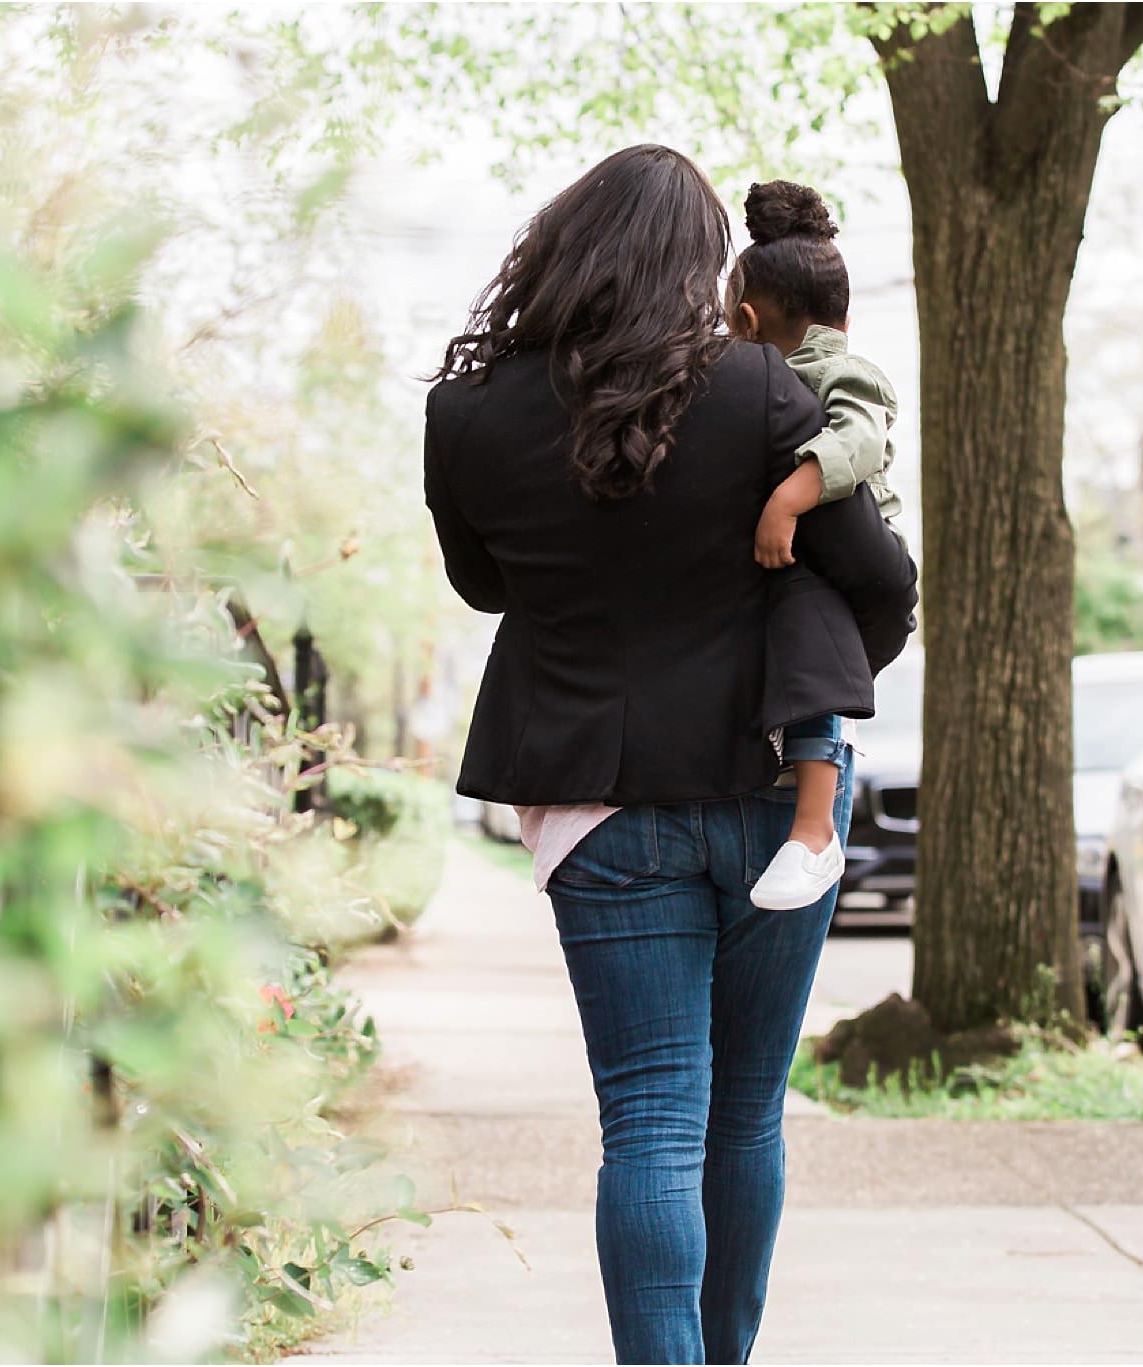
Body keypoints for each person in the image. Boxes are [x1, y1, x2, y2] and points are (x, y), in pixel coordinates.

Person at [423, 144, 917, 1365]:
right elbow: (881, 578)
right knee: (743, 1111)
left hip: (597, 809)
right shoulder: (757, 390)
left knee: (647, 1116)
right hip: (772, 791)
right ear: (700, 264)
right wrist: (820, 665)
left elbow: (482, 583)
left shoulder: (469, 411)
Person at [727, 180, 907, 911]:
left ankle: (814, 830)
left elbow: (858, 442)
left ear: (743, 319)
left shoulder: (843, 374)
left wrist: (787, 499)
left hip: (846, 570)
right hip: (797, 565)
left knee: (812, 644)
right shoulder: (768, 378)